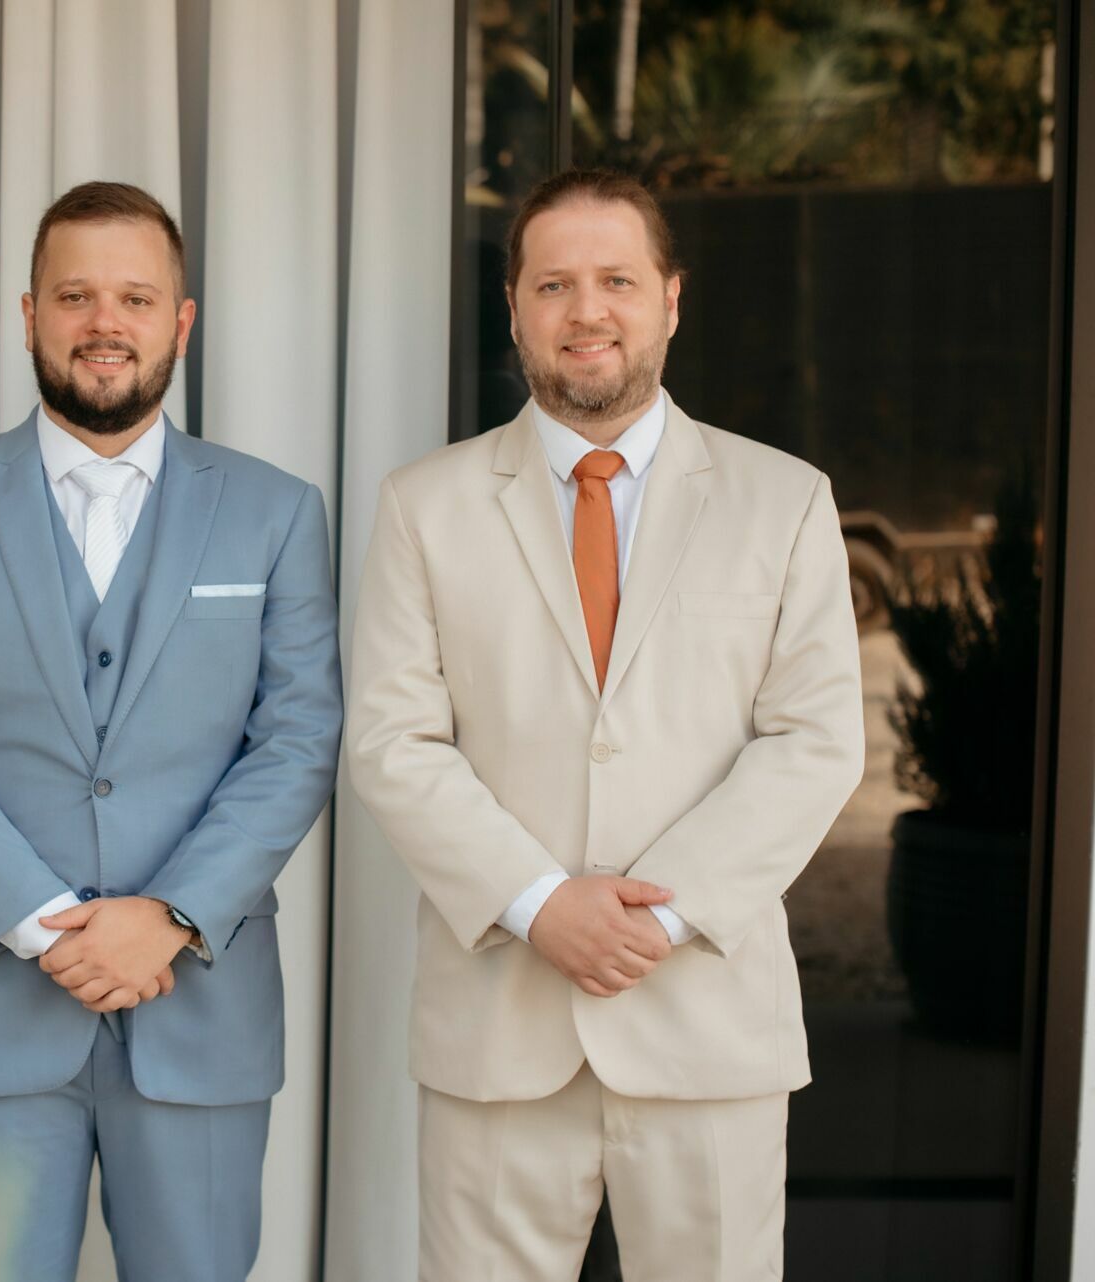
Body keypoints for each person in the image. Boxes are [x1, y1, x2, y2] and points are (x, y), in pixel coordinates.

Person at [346, 167, 865, 1281]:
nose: (588, 311)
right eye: (556, 283)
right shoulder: (420, 506)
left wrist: (655, 921)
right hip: (497, 1033)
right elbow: (393, 742)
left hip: (710, 1029)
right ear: (515, 306)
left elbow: (816, 740)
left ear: (671, 299)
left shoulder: (787, 500)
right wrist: (539, 905)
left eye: (617, 279)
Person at [0, 180, 342, 1282]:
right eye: (75, 295)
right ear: (29, 314)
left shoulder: (275, 511)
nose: (103, 322)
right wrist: (42, 923)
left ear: (181, 319)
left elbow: (299, 736)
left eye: (133, 296)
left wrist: (166, 914)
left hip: (200, 1008)